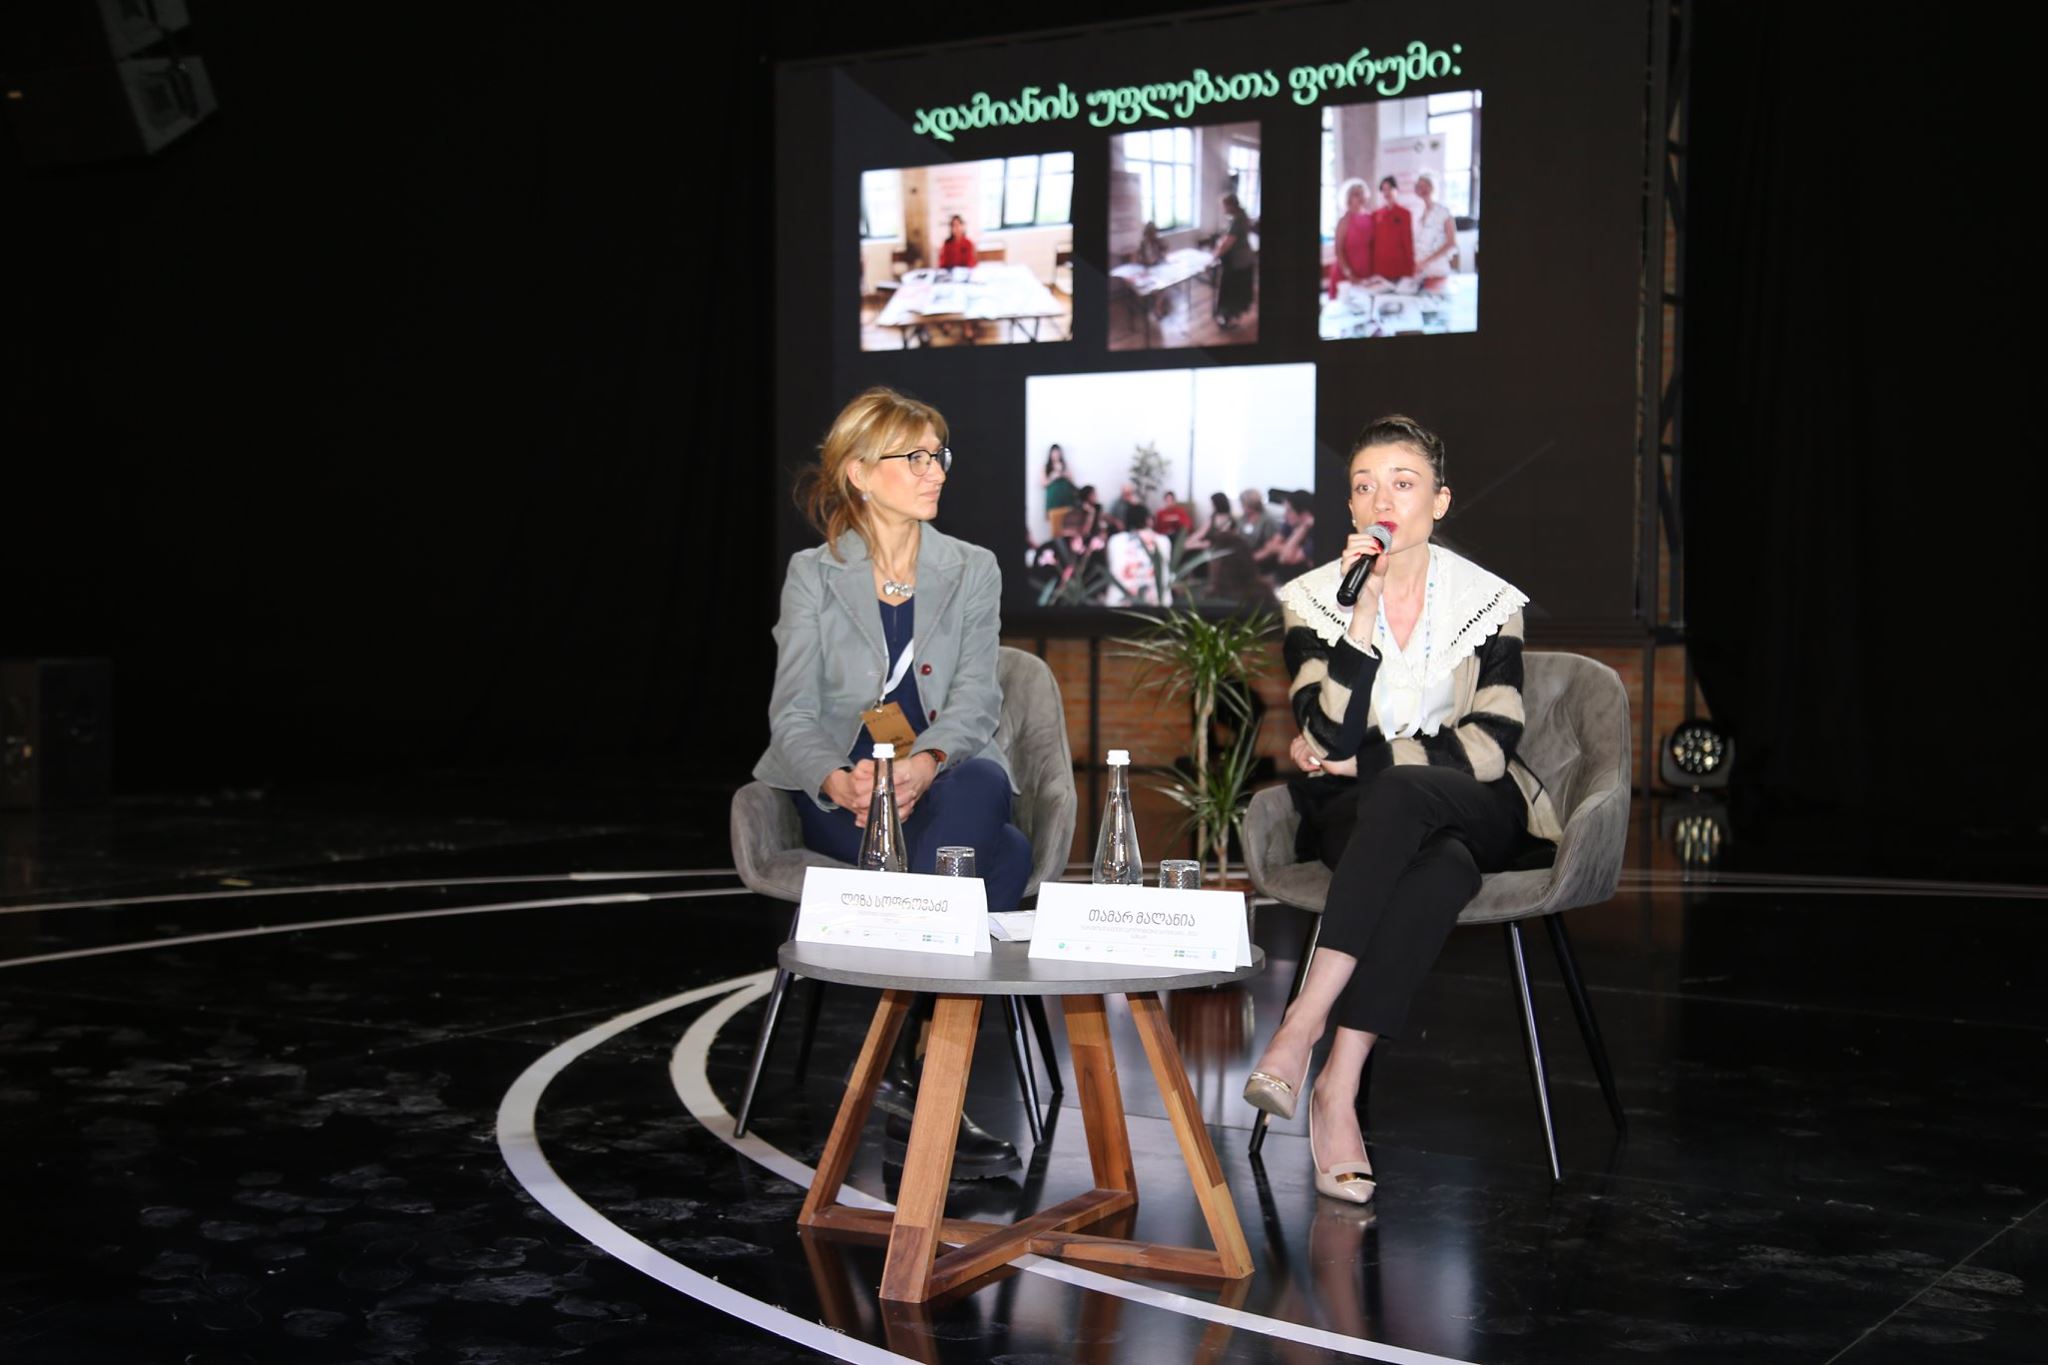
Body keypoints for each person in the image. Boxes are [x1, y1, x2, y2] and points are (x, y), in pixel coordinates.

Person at [1240, 414, 1562, 1203]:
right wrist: (1361, 615)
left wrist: (1367, 761)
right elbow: (1326, 732)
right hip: (1364, 816)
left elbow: (1490, 746)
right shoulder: (1315, 598)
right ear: (1352, 508)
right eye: (1364, 485)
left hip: (1478, 803)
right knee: (1439, 866)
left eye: (1403, 482)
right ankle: (1336, 1086)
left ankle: (1299, 1027)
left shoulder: (1490, 602)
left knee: (1400, 789)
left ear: (1439, 501)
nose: (1382, 499)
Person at [755, 385, 1033, 1175]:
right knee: (1005, 857)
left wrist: (925, 760)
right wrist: (833, 777)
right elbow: (791, 712)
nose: (934, 470)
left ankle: (906, 1063)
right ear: (858, 472)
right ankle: (924, 1074)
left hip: (944, 771)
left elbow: (975, 700)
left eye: (938, 454)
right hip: (847, 790)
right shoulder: (813, 575)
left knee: (975, 795)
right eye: (913, 456)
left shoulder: (972, 568)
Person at [1211, 193, 1257, 328]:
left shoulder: (1238, 220)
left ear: (1231, 205)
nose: (1223, 209)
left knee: (1230, 290)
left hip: (1238, 262)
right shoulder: (1241, 215)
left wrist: (1214, 256)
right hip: (1244, 260)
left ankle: (1228, 319)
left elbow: (1228, 242)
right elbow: (1228, 237)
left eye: (1224, 206)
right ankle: (1234, 315)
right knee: (1238, 289)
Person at [1410, 172, 1457, 284]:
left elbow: (1451, 242)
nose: (1423, 189)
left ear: (1433, 187)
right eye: (1420, 186)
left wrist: (1425, 262)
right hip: (1419, 270)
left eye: (1427, 185)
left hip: (1437, 268)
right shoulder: (1417, 213)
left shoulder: (1443, 211)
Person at [1330, 178, 1376, 290]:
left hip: (1366, 275)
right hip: (1345, 275)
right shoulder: (1344, 221)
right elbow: (1339, 251)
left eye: (1362, 194)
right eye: (1356, 194)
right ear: (1348, 198)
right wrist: (1350, 275)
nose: (1360, 197)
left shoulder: (1370, 218)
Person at [1368, 177, 1415, 281]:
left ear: (1396, 190)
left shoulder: (1405, 214)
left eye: (1389, 189)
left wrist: (1410, 269)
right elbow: (1372, 244)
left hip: (1399, 267)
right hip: (1379, 267)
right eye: (1384, 189)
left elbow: (1408, 243)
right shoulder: (1375, 215)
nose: (1387, 192)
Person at [1042, 445, 1078, 538]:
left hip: (1067, 501)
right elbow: (1043, 483)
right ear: (1050, 454)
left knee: (1069, 526)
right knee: (1055, 528)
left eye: (1058, 452)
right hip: (1053, 501)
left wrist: (1064, 474)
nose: (1056, 454)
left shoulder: (1065, 466)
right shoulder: (1046, 467)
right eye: (1054, 452)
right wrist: (1053, 476)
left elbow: (1072, 481)